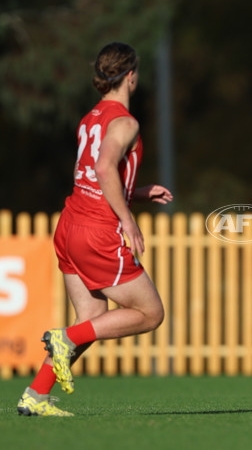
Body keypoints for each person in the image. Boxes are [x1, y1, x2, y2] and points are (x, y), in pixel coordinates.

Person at [17, 42, 173, 417]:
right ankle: (63, 339)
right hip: (97, 231)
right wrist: (127, 218)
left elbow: (91, 175)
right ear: (131, 76)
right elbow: (105, 169)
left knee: (90, 321)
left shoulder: (90, 118)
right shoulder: (125, 120)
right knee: (150, 313)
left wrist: (136, 192)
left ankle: (35, 396)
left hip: (71, 223)